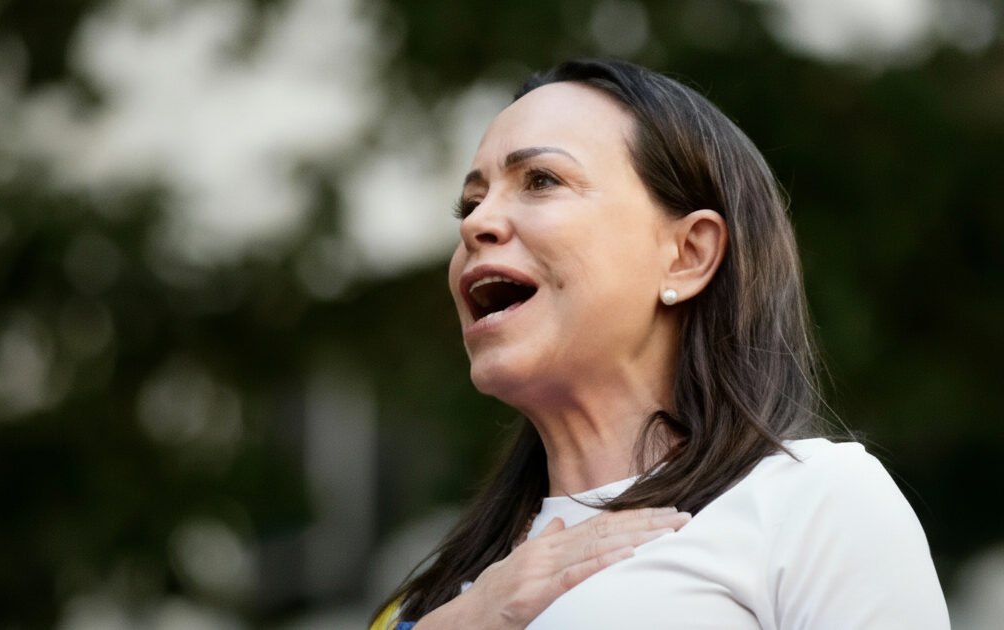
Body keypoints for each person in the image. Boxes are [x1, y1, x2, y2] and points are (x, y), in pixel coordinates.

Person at [371, 59, 949, 629]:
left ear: (688, 254)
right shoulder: (433, 595)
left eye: (541, 181)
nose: (477, 224)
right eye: (470, 204)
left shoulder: (815, 503)